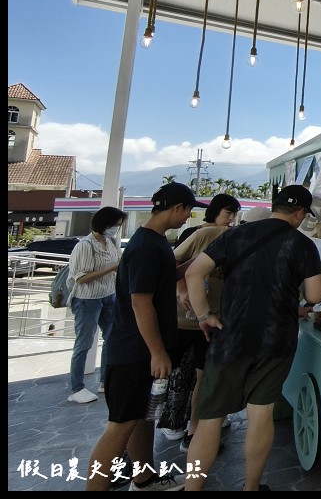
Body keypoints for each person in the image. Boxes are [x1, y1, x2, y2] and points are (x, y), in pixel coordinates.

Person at [183, 185, 321, 492]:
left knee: (209, 419)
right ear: (299, 213)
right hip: (275, 342)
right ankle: (250, 487)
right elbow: (315, 295)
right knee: (260, 414)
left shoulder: (234, 235)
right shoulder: (302, 244)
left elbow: (193, 273)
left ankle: (192, 488)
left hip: (229, 337)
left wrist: (205, 315)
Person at [85, 182, 208, 491]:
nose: (187, 218)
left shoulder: (155, 242)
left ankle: (144, 479)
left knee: (142, 417)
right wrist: (157, 352)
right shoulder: (144, 247)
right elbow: (141, 302)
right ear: (176, 208)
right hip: (132, 352)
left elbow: (168, 276)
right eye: (187, 211)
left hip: (140, 352)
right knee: (120, 427)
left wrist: (205, 258)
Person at [166, 224, 234, 451]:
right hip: (184, 321)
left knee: (202, 378)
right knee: (170, 376)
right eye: (228, 213)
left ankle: (193, 432)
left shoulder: (236, 240)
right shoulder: (205, 234)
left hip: (211, 321)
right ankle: (168, 425)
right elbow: (175, 264)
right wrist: (182, 289)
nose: (231, 220)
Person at [67, 206, 127, 404]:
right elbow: (81, 278)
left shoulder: (110, 242)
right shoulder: (85, 245)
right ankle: (77, 387)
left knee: (111, 338)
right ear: (104, 224)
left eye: (119, 225)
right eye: (115, 225)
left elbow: (118, 264)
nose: (117, 229)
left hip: (108, 296)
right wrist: (112, 268)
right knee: (84, 343)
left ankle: (105, 380)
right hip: (87, 300)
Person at [174, 193, 240, 249]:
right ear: (216, 210)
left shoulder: (231, 235)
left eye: (234, 214)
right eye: (228, 213)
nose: (231, 218)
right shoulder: (190, 233)